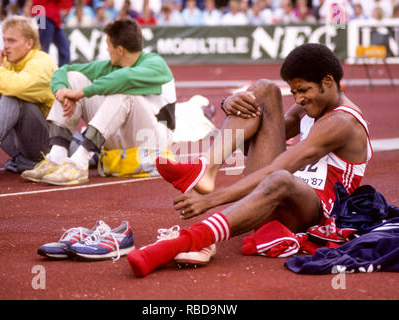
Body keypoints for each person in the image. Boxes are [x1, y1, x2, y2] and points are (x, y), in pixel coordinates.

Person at [126, 43, 373, 277]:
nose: (298, 100)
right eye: (294, 91)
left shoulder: (343, 122)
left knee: (280, 178)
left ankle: (190, 239)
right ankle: (207, 168)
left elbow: (279, 168)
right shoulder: (309, 107)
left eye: (304, 90)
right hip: (272, 193)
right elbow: (250, 141)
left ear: (327, 81)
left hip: (314, 211)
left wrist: (214, 200)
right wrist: (229, 105)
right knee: (264, 90)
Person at [21, 18, 176, 186]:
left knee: (124, 93)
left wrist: (80, 93)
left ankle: (79, 162)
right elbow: (64, 70)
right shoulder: (111, 65)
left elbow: (125, 77)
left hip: (152, 140)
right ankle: (56, 157)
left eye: (108, 45)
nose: (107, 49)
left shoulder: (156, 64)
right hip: (120, 137)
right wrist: (61, 92)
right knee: (75, 78)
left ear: (120, 50)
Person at [0, 15, 57, 178]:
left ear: (29, 43)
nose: (5, 46)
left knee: (14, 96)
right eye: (5, 40)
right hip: (21, 144)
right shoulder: (10, 61)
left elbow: (17, 87)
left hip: (49, 145)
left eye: (12, 41)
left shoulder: (42, 62)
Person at [30, 0, 72, 67]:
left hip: (53, 19)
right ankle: (40, 73)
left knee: (65, 51)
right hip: (43, 16)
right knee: (43, 51)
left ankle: (62, 73)